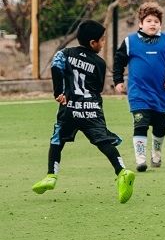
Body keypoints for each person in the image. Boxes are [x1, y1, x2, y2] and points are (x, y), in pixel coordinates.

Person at [31, 20, 136, 203]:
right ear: (92, 43)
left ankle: (51, 175)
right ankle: (122, 171)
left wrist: (59, 92)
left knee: (57, 140)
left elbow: (56, 65)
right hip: (92, 109)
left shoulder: (66, 53)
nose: (103, 44)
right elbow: (98, 88)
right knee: (103, 141)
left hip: (70, 108)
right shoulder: (100, 63)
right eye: (101, 41)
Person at [113, 2, 165, 172]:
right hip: (138, 93)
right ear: (141, 23)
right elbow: (118, 62)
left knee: (159, 125)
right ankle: (140, 159)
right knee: (140, 124)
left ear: (160, 24)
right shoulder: (130, 42)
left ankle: (156, 151)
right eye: (149, 20)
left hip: (160, 94)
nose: (153, 24)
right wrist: (118, 81)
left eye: (156, 21)